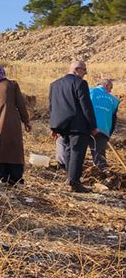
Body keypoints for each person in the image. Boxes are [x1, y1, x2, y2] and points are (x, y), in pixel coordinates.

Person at [49, 61, 98, 192]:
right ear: (76, 69)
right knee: (77, 153)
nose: (85, 74)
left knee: (68, 151)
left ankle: (70, 179)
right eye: (84, 70)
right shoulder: (80, 83)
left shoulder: (55, 84)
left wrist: (53, 127)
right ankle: (74, 183)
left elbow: (53, 106)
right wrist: (93, 125)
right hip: (78, 125)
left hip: (62, 125)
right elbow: (86, 106)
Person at [89, 78, 119, 169]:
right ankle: (102, 174)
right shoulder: (114, 100)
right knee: (100, 156)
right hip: (103, 130)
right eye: (111, 88)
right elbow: (114, 120)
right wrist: (108, 134)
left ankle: (73, 175)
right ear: (106, 86)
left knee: (78, 153)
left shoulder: (88, 91)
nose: (110, 91)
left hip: (86, 127)